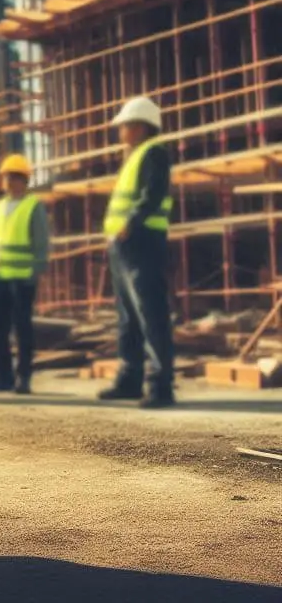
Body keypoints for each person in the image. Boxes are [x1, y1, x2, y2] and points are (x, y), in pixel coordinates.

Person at [99, 96, 175, 408]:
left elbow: (153, 193)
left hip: (141, 240)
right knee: (128, 316)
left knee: (150, 312)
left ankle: (160, 386)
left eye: (125, 125)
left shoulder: (153, 152)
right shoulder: (134, 156)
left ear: (141, 127)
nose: (120, 131)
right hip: (123, 244)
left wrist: (131, 222)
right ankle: (130, 379)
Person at [0, 154, 48, 395]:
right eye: (6, 177)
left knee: (22, 328)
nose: (8, 181)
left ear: (24, 180)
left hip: (22, 277)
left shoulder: (33, 206)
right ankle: (2, 377)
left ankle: (23, 377)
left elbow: (41, 242)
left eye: (13, 177)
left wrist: (36, 270)